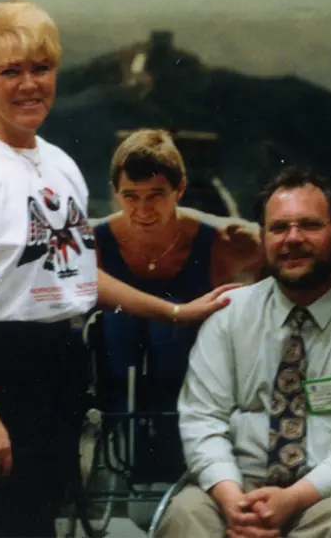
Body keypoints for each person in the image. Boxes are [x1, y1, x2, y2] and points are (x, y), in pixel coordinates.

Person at [0, 0, 234, 537]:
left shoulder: (60, 166)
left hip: (59, 366)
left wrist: (173, 312)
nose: (29, 84)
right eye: (10, 71)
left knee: (40, 524)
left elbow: (76, 273)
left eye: (41, 69)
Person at [156, 166, 331, 538]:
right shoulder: (228, 314)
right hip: (240, 486)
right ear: (263, 239)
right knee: (186, 516)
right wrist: (233, 501)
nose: (292, 239)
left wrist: (293, 499)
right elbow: (201, 418)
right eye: (278, 228)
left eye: (309, 225)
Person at [92, 128, 263, 523]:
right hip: (118, 387)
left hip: (193, 389)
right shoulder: (95, 240)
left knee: (170, 330)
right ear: (115, 193)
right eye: (130, 197)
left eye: (156, 196)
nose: (143, 211)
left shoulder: (222, 239)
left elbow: (282, 253)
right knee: (119, 323)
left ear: (179, 190)